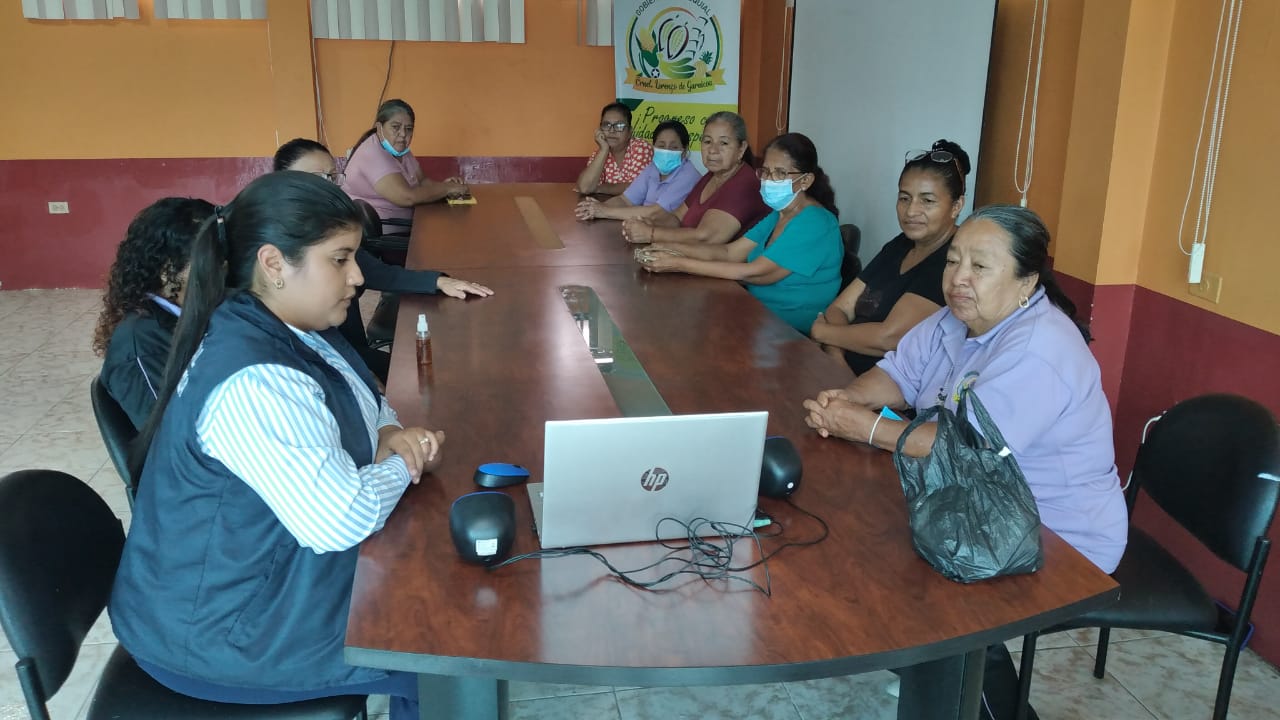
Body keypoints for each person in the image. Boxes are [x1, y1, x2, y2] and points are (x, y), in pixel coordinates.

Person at [109, 172, 442, 719]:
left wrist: (388, 434)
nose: (358, 276)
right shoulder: (256, 379)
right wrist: (407, 461)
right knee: (434, 647)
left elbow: (370, 398)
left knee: (422, 585)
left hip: (255, 585)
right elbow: (340, 520)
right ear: (273, 264)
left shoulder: (294, 326)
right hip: (219, 634)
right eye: (340, 259)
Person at [802, 205, 1127, 720]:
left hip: (1053, 532)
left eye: (980, 266)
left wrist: (865, 427)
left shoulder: (1039, 347)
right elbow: (898, 373)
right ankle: (928, 677)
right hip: (973, 501)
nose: (958, 278)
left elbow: (964, 447)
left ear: (1026, 281)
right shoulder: (955, 321)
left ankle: (975, 696)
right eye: (953, 261)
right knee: (860, 538)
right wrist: (847, 399)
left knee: (946, 609)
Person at [274, 138, 493, 381]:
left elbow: (377, 272)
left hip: (351, 352)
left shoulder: (329, 228)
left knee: (432, 370)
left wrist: (438, 281)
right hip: (320, 366)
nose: (330, 186)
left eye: (332, 177)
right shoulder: (281, 249)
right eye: (317, 177)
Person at [636, 133, 842, 334]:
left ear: (806, 181)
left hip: (789, 331)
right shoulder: (779, 214)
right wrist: (667, 248)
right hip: (754, 313)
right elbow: (729, 252)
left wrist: (678, 263)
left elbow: (755, 272)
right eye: (766, 172)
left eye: (780, 173)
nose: (769, 180)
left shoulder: (815, 222)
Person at [811, 140, 971, 375]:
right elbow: (840, 308)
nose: (911, 211)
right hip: (842, 368)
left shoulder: (952, 261)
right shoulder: (901, 244)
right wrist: (836, 355)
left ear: (956, 206)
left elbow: (888, 338)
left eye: (927, 201)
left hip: (887, 387)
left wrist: (822, 332)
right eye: (904, 198)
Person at [93, 197, 214, 429]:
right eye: (210, 262)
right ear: (167, 270)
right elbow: (169, 436)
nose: (224, 270)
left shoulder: (197, 315)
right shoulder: (140, 345)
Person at [621, 111, 768, 245]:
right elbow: (677, 217)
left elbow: (706, 237)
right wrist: (648, 223)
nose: (713, 150)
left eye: (723, 143)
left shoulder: (745, 184)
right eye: (707, 141)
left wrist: (651, 234)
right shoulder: (710, 177)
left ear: (741, 148)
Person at [343, 98, 469, 229]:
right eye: (395, 127)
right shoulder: (372, 153)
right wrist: (447, 189)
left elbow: (423, 181)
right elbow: (406, 197)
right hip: (386, 235)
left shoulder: (402, 151)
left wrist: (446, 187)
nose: (403, 134)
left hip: (410, 227)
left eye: (408, 129)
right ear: (379, 128)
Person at [574, 119, 702, 221]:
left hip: (669, 237)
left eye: (673, 147)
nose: (666, 151)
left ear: (684, 150)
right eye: (661, 146)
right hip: (643, 230)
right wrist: (594, 208)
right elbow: (625, 200)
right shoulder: (653, 168)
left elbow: (656, 213)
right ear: (654, 147)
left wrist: (605, 211)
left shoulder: (688, 175)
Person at [574, 101, 655, 195]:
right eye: (606, 125)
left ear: (630, 132)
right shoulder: (600, 153)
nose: (612, 130)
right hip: (605, 203)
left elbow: (639, 187)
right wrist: (604, 150)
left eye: (619, 126)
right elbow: (584, 188)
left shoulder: (641, 148)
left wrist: (600, 188)